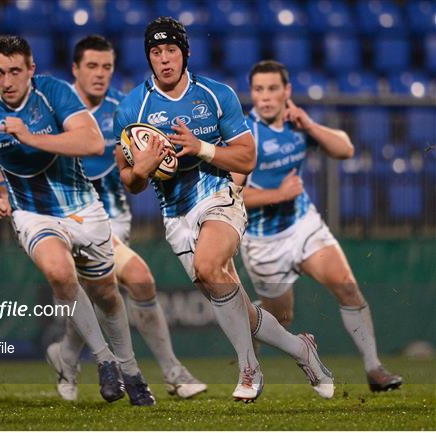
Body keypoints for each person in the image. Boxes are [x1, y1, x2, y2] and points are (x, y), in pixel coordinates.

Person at [114, 17, 334, 402]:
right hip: (175, 215)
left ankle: (249, 369)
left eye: (171, 50)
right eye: (156, 52)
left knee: (208, 266)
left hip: (219, 195)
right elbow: (129, 181)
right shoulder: (132, 107)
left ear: (185, 53)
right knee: (233, 303)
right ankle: (303, 350)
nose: (165, 59)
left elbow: (247, 158)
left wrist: (200, 147)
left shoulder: (216, 95)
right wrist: (143, 168)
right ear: (148, 56)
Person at [0, 35, 155, 406]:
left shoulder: (53, 93)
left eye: (14, 71)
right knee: (58, 273)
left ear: (31, 70)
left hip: (83, 209)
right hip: (32, 213)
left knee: (107, 294)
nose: (6, 81)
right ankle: (105, 360)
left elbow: (90, 142)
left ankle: (133, 373)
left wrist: (31, 138)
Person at [45, 34, 206, 399]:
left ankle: (66, 354)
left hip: (113, 218)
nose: (100, 74)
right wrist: (1, 183)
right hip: (66, 214)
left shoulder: (124, 110)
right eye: (91, 66)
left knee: (103, 292)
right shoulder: (54, 107)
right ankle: (173, 373)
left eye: (106, 67)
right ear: (75, 69)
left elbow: (141, 166)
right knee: (138, 280)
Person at [234, 59, 402, 392]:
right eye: (258, 90)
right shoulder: (246, 134)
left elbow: (345, 148)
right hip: (263, 240)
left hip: (303, 224)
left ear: (287, 91)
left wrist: (310, 124)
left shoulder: (298, 125)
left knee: (346, 285)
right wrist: (277, 193)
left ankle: (374, 368)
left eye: (272, 89)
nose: (265, 97)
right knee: (280, 318)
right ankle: (249, 354)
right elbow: (232, 195)